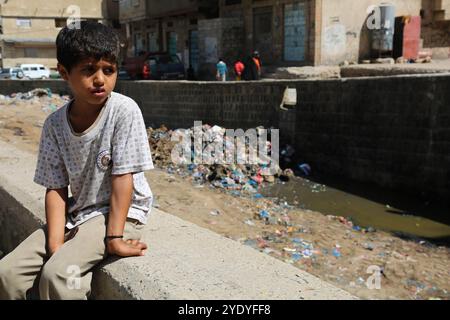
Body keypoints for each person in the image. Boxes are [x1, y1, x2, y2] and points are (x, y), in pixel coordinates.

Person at [0, 21, 154, 300]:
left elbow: (123, 178)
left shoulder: (123, 111)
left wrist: (115, 239)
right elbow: (56, 189)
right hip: (79, 213)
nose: (100, 79)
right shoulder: (55, 125)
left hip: (120, 213)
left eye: (108, 70)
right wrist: (56, 244)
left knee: (60, 275)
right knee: (7, 273)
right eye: (88, 70)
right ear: (63, 72)